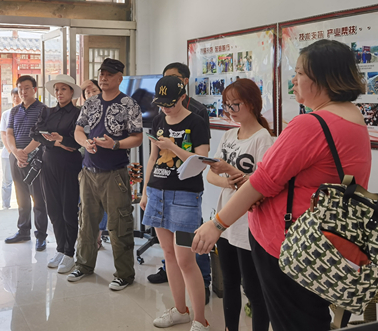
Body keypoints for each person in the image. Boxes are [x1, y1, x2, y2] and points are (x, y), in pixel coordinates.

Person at [192, 40, 371, 331]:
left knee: (293, 321)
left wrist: (217, 224)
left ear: (322, 78)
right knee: (309, 317)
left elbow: (261, 182)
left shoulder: (311, 124)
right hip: (327, 243)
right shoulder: (354, 117)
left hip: (291, 245)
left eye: (299, 74)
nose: (294, 81)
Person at [140, 75, 210, 330]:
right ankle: (180, 311)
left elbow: (202, 162)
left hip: (184, 197)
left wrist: (173, 146)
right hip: (157, 192)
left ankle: (200, 320)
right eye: (161, 104)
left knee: (185, 260)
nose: (165, 109)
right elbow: (153, 158)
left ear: (183, 97)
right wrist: (145, 192)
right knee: (168, 254)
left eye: (170, 103)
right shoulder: (158, 120)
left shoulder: (196, 122)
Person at [68, 58, 143, 291]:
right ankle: (83, 265)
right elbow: (78, 130)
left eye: (109, 74)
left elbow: (138, 137)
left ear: (120, 78)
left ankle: (124, 274)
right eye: (101, 73)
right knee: (86, 222)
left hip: (115, 174)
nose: (104, 78)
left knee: (119, 224)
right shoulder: (91, 103)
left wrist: (115, 144)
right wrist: (85, 143)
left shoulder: (129, 104)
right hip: (88, 171)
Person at [204, 79, 272, 331]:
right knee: (229, 283)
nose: (230, 110)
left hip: (249, 223)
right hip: (225, 220)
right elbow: (211, 175)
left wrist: (230, 173)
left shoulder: (263, 138)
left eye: (235, 104)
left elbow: (261, 185)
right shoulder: (229, 134)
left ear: (252, 104)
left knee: (253, 289)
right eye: (226, 105)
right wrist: (228, 183)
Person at [28, 74, 82, 274]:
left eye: (63, 89)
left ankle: (70, 253)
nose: (59, 93)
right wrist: (57, 142)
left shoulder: (78, 113)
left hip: (69, 165)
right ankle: (60, 248)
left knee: (68, 209)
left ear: (71, 92)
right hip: (48, 164)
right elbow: (35, 133)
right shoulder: (47, 111)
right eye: (57, 89)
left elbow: (77, 142)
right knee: (53, 208)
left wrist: (62, 140)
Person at [5, 75, 48, 251]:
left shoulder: (43, 110)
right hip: (16, 157)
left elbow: (41, 136)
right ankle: (23, 231)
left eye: (27, 88)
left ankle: (41, 235)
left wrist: (25, 153)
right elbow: (9, 133)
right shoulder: (15, 111)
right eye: (20, 88)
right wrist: (16, 152)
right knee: (21, 196)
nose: (23, 91)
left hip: (36, 158)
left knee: (38, 198)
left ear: (34, 90)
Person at [80, 79, 108, 249]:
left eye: (94, 91)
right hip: (86, 163)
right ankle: (88, 236)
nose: (91, 95)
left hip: (107, 163)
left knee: (103, 202)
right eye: (87, 93)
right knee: (86, 203)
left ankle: (98, 235)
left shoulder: (109, 110)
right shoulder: (82, 112)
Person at [0, 88, 21, 209]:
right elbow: (3, 134)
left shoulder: (26, 113)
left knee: (21, 182)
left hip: (22, 153)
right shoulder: (6, 114)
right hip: (8, 154)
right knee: (7, 181)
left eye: (18, 96)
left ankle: (22, 205)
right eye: (14, 96)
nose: (16, 99)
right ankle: (5, 205)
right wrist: (10, 150)